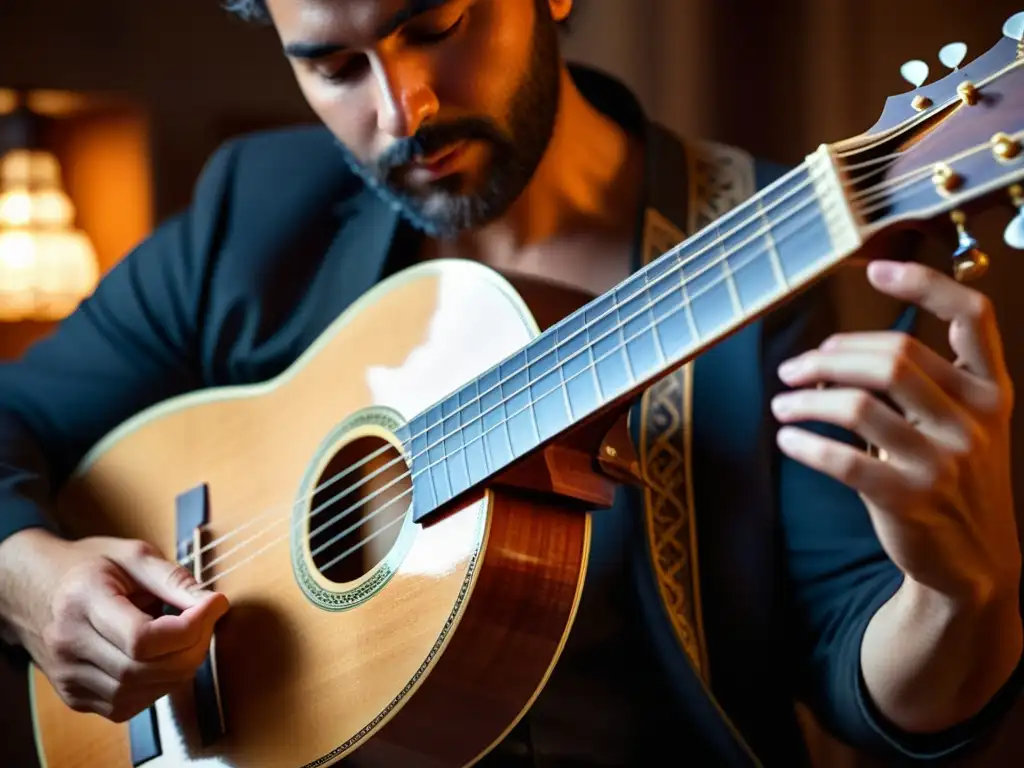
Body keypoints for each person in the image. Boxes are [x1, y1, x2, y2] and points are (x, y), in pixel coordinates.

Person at [0, 0, 1021, 765]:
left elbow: (869, 682)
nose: (403, 109)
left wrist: (960, 591)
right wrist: (29, 576)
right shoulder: (256, 212)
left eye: (434, 23)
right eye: (332, 66)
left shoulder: (777, 257)